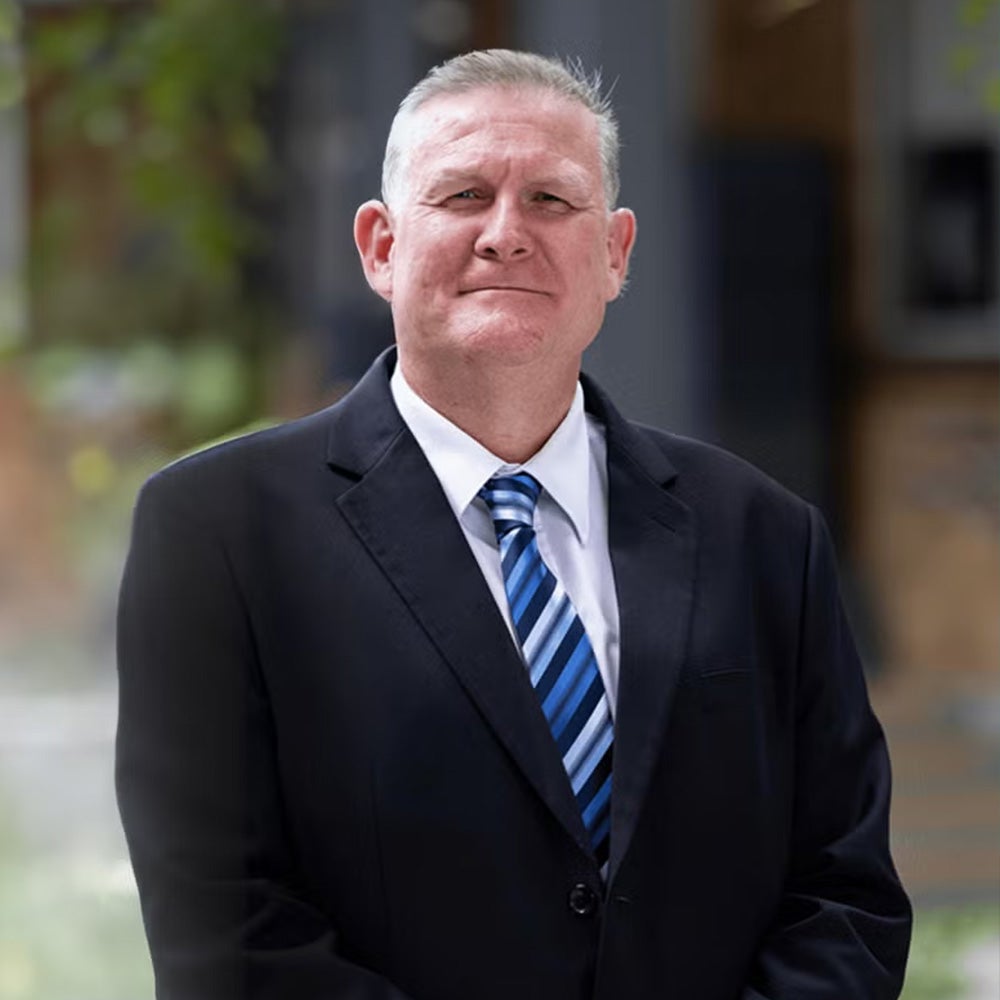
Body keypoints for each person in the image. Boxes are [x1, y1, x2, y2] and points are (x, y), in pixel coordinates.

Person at [116, 49, 911, 1000]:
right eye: (460, 196)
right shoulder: (219, 532)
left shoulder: (768, 537)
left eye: (550, 200)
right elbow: (227, 933)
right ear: (379, 246)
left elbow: (844, 895)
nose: (506, 234)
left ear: (614, 253)